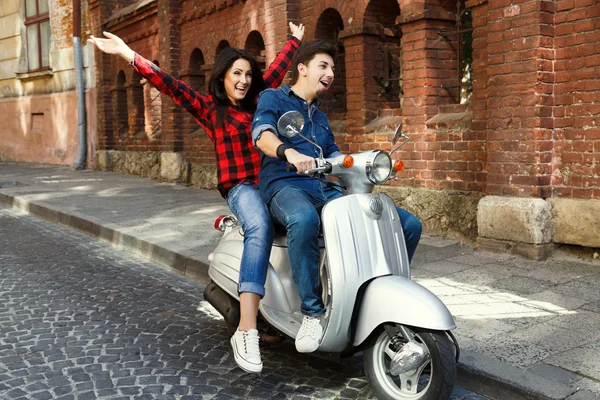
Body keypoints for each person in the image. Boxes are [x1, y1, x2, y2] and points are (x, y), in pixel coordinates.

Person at [88, 23, 305, 374]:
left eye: (249, 74)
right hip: (242, 189)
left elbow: (278, 67)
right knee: (260, 226)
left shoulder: (261, 102)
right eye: (237, 73)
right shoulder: (210, 110)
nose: (245, 80)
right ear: (222, 78)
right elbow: (168, 84)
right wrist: (128, 54)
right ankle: (246, 329)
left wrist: (295, 40)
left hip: (273, 183)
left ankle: (300, 310)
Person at [251, 40, 422, 353]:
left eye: (333, 68)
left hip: (322, 187)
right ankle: (312, 313)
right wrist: (287, 151)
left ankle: (380, 297)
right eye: (324, 66)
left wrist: (366, 166)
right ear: (302, 68)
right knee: (303, 220)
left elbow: (335, 157)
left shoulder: (321, 118)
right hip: (284, 184)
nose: (330, 73)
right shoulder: (273, 97)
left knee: (408, 224)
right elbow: (261, 134)